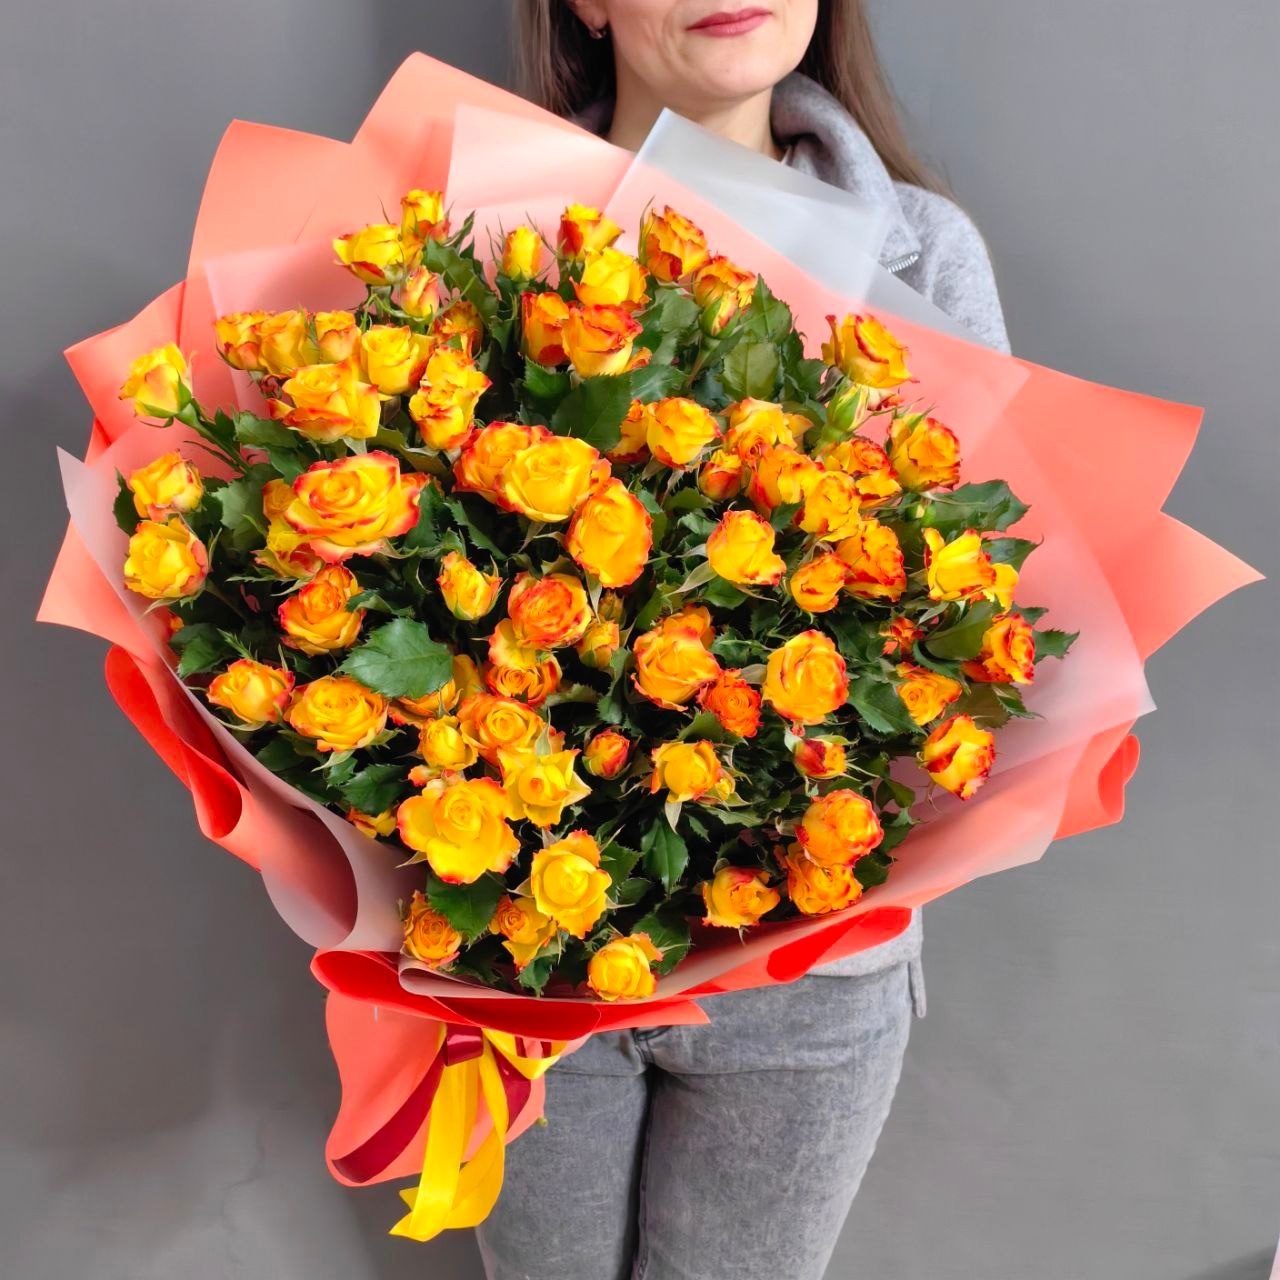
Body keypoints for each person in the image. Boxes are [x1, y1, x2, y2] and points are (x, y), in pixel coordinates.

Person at [476, 4, 1012, 1278]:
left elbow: (991, 592)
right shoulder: (487, 224)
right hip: (527, 944)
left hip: (808, 966)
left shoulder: (918, 248)